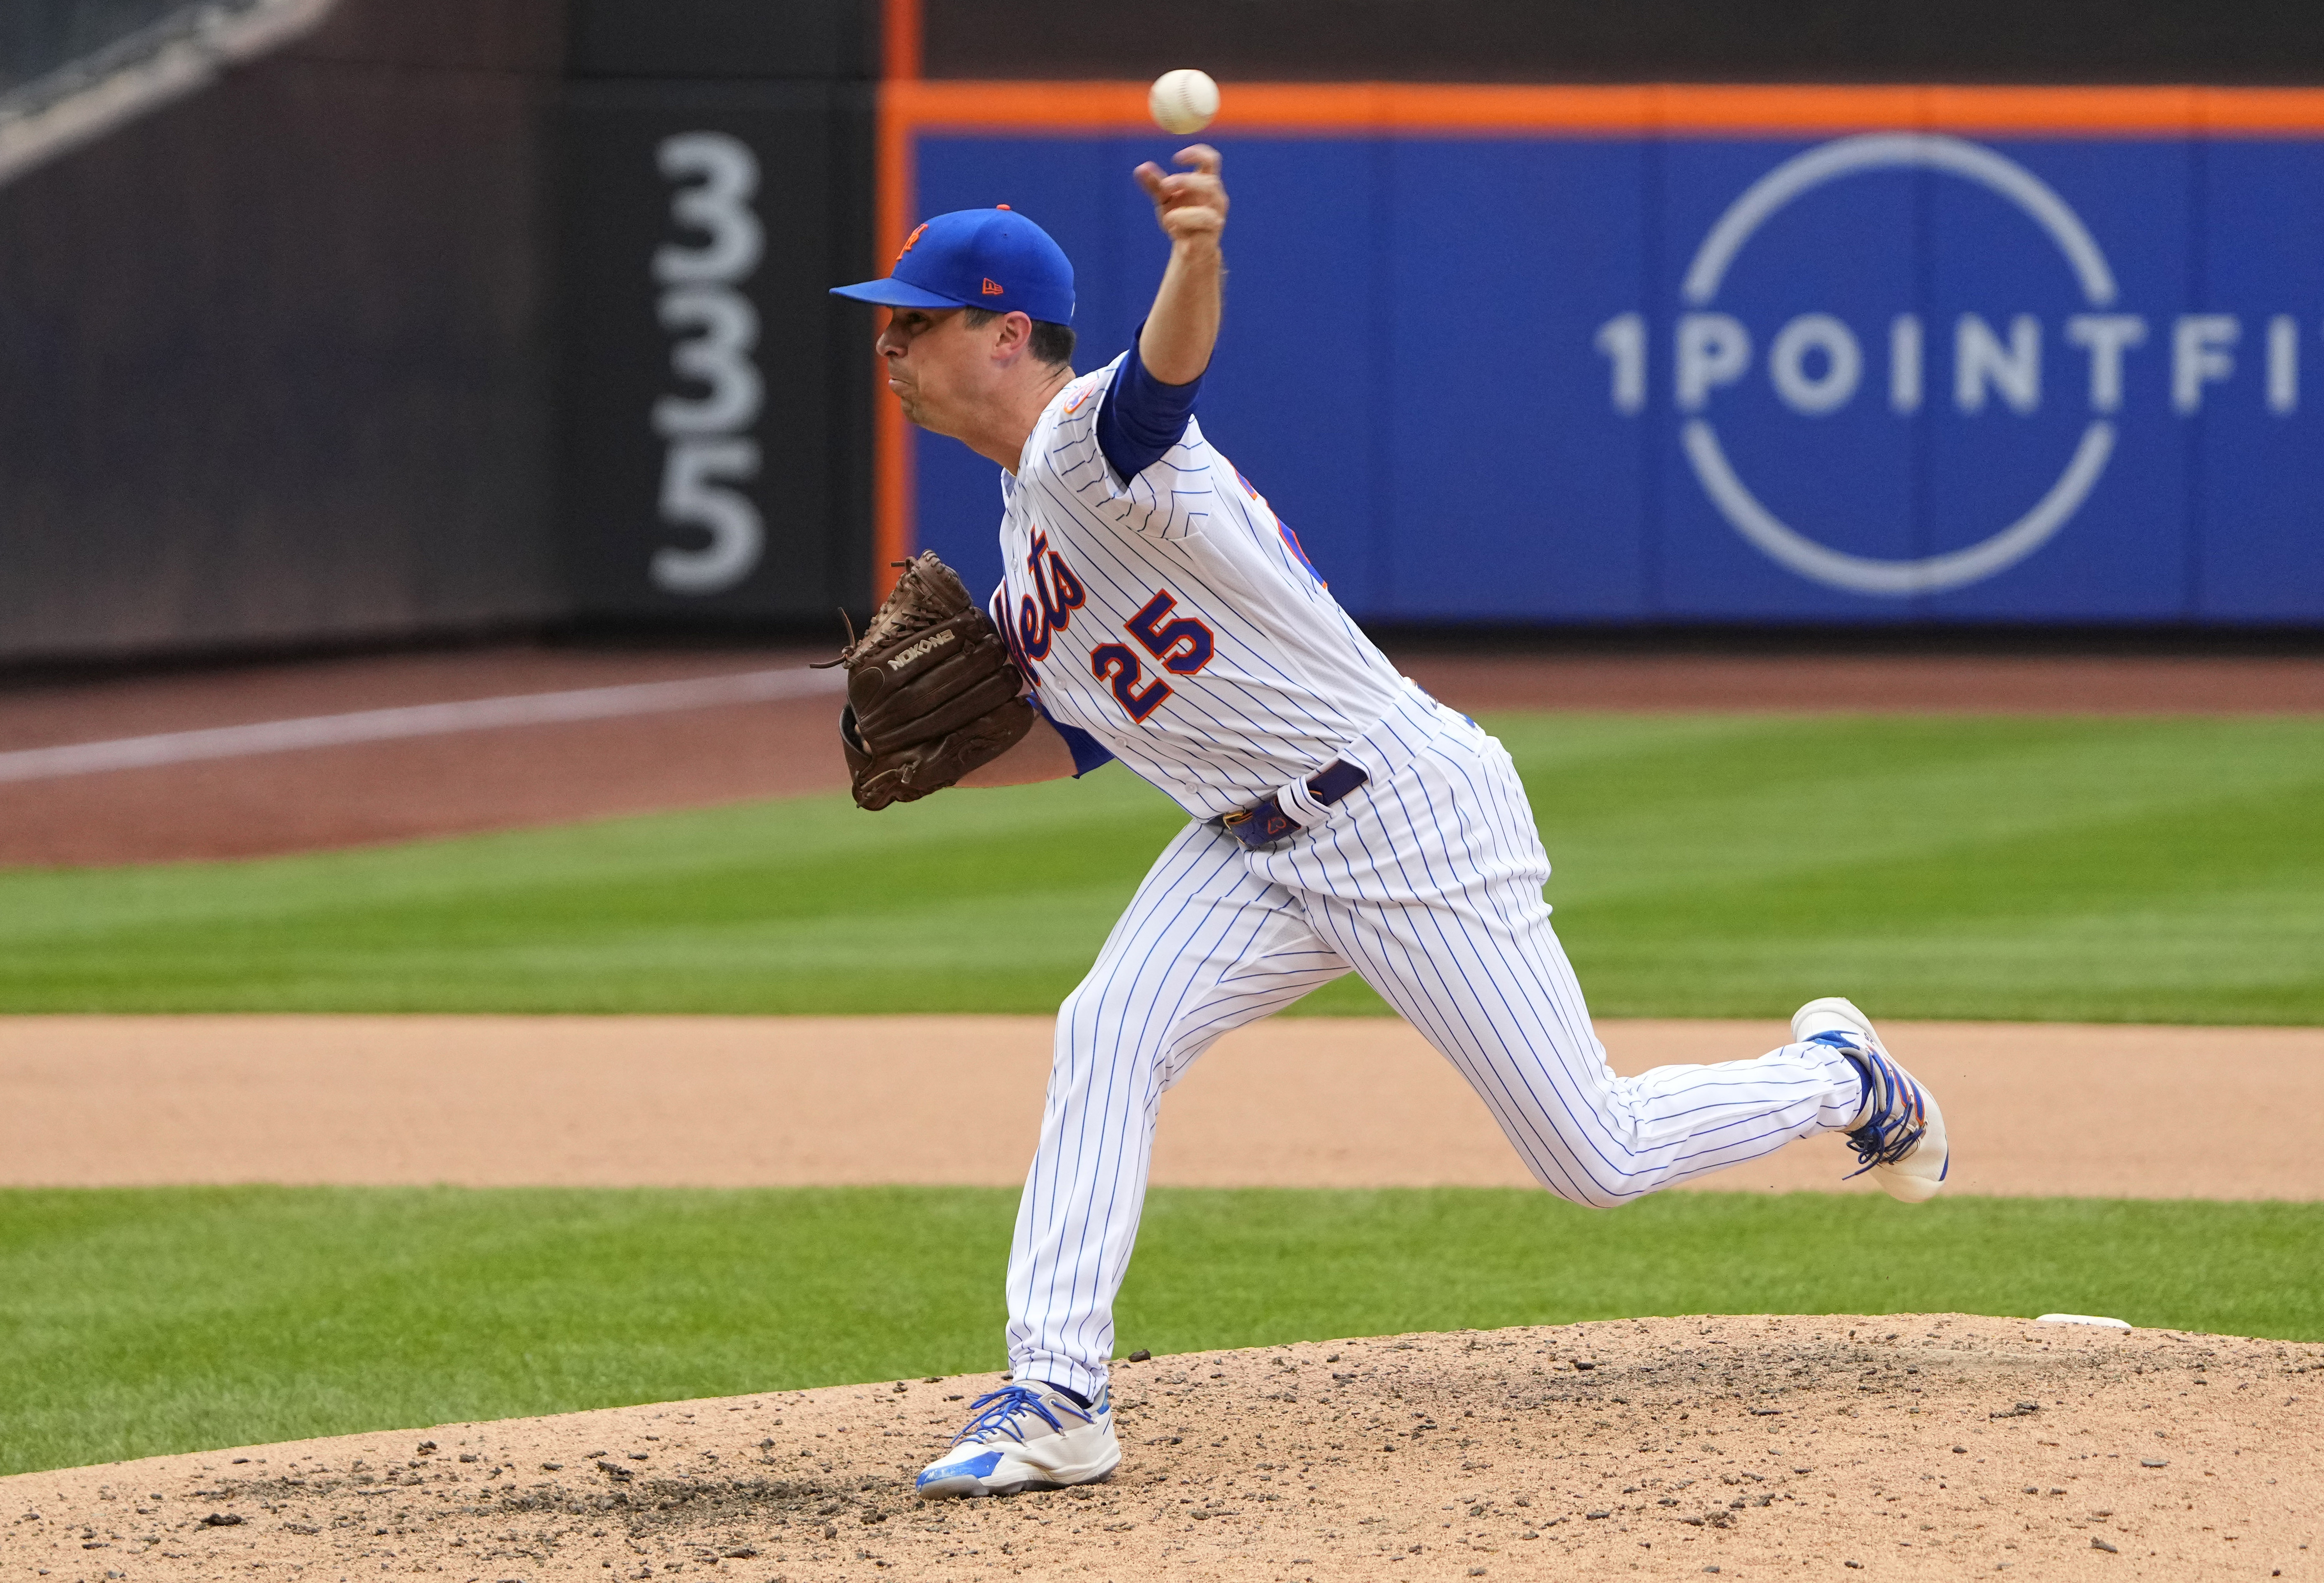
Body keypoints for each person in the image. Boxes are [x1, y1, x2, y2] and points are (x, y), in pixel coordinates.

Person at [829, 146, 1948, 1501]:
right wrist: (935, 760)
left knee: (1595, 1157)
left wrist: (1197, 250)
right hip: (1248, 847)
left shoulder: (1084, 442)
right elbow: (1084, 736)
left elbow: (1164, 379)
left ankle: (1845, 1076)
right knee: (1107, 1028)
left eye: (914, 320)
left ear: (1008, 335)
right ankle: (1057, 1390)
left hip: (1408, 815)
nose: (886, 344)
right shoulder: (1022, 552)